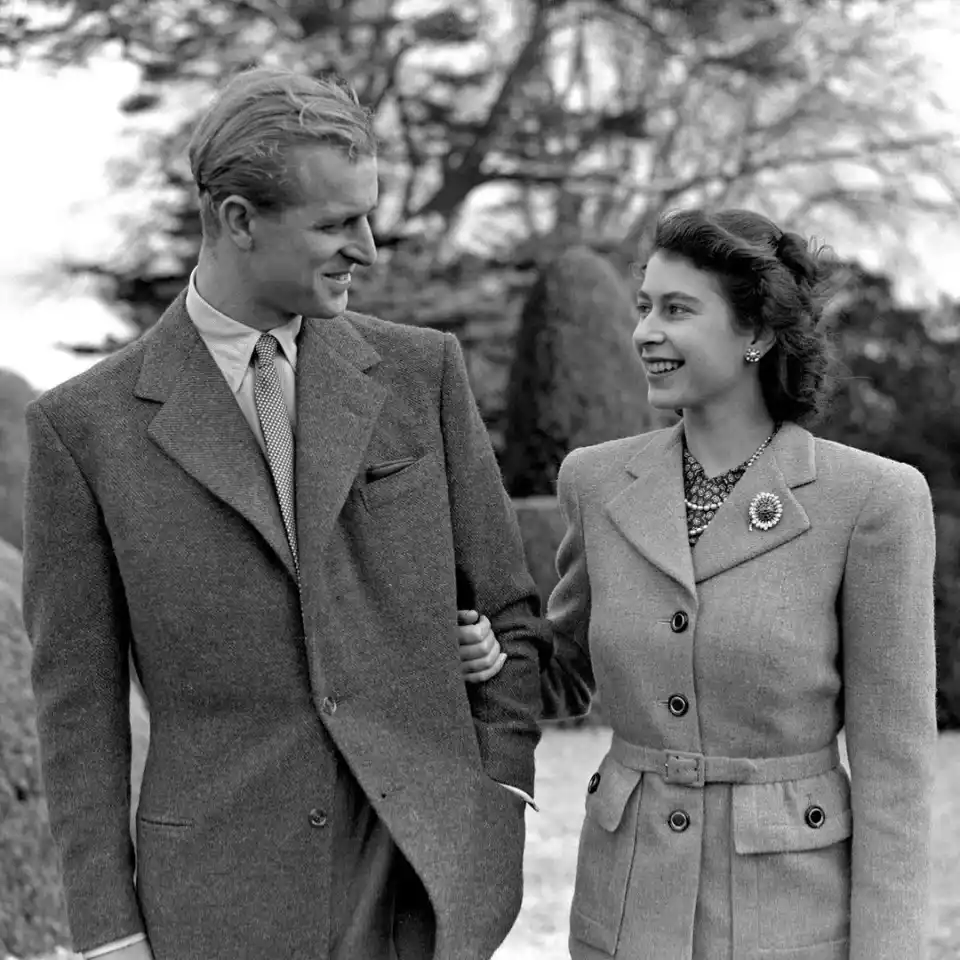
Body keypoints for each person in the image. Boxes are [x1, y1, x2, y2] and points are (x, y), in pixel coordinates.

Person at [23, 67, 547, 960]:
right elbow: (78, 710)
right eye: (337, 224)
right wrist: (109, 934)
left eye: (369, 216)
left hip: (419, 889)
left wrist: (495, 802)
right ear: (236, 219)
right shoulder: (85, 429)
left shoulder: (423, 374)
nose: (369, 249)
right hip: (215, 906)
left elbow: (510, 615)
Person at [459, 208, 937, 959]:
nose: (646, 331)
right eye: (643, 307)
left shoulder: (872, 501)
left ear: (758, 333)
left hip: (792, 922)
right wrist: (495, 657)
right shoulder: (595, 479)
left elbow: (895, 771)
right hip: (625, 909)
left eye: (677, 310)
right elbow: (565, 675)